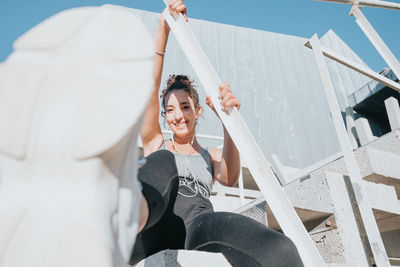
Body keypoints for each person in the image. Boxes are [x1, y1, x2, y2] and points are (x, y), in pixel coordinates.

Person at [131, 1, 304, 266]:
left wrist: (228, 119)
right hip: (154, 226)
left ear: (198, 111)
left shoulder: (209, 156)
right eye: (170, 109)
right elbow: (149, 85)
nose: (178, 115)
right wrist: (162, 30)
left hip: (198, 230)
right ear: (164, 115)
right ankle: (125, 214)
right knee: (163, 161)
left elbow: (230, 177)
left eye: (185, 106)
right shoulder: (157, 143)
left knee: (282, 250)